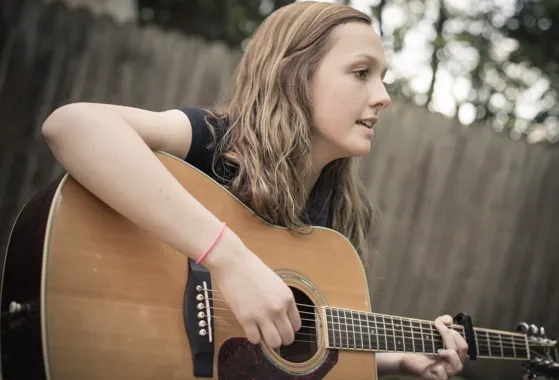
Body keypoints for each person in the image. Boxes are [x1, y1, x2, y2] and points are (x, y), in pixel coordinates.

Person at [41, 1, 468, 379]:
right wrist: (228, 259)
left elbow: (279, 346)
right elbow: (73, 126)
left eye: (383, 78)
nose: (383, 96)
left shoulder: (340, 212)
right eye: (361, 73)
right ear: (293, 74)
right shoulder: (216, 142)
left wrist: (393, 361)